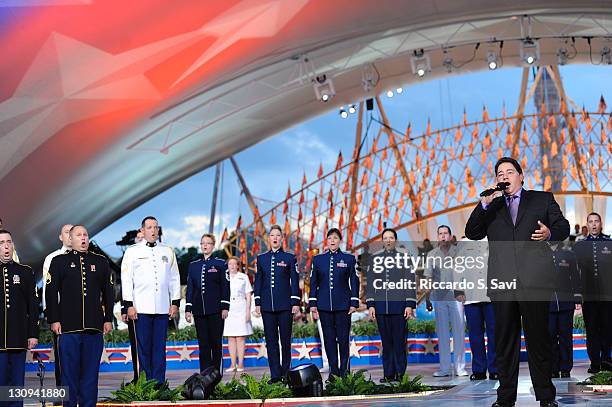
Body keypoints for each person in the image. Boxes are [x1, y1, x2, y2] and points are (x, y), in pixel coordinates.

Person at [465, 157, 570, 407]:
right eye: (500, 173)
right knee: (504, 342)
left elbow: (563, 227)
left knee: (538, 341)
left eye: (509, 172)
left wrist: (549, 233)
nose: (504, 176)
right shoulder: (493, 207)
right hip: (503, 284)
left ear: (521, 176)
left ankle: (546, 397)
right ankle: (505, 398)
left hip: (534, 282)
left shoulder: (542, 200)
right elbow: (472, 232)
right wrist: (483, 204)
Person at [45, 225, 114, 407]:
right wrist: (54, 319)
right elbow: (51, 293)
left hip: (94, 327)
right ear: (70, 238)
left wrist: (108, 319)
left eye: (85, 235)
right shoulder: (58, 262)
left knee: (91, 375)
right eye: (78, 235)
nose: (83, 238)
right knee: (68, 374)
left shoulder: (100, 262)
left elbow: (108, 292)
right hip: (68, 328)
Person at [121, 216, 181, 384]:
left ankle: (160, 384)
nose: (153, 230)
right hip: (141, 309)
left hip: (162, 308)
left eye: (156, 227)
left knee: (159, 349)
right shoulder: (132, 251)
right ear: (142, 230)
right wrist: (129, 306)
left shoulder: (168, 251)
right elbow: (126, 280)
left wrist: (175, 303)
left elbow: (174, 278)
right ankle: (145, 384)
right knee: (144, 349)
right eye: (149, 227)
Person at [366, 227, 416, 382]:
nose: (388, 240)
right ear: (382, 240)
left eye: (391, 237)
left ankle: (400, 374)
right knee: (386, 342)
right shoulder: (375, 258)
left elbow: (409, 281)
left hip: (400, 306)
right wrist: (371, 305)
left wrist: (409, 304)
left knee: (400, 342)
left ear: (396, 240)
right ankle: (388, 374)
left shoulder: (404, 257)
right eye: (385, 238)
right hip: (381, 307)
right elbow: (371, 284)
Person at [309, 228, 359, 379]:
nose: (332, 241)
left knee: (343, 340)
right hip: (324, 306)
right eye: (330, 238)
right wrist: (313, 302)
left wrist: (354, 302)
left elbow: (354, 281)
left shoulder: (349, 259)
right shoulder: (318, 259)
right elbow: (313, 282)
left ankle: (345, 372)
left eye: (335, 238)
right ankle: (334, 371)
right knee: (329, 340)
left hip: (344, 306)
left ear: (340, 241)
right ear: (327, 240)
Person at [253, 225, 300, 383]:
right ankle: (275, 375)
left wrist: (295, 301)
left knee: (285, 341)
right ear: (268, 239)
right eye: (272, 235)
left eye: (278, 235)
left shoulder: (289, 258)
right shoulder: (261, 258)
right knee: (271, 342)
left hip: (286, 306)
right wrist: (257, 302)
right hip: (267, 307)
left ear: (282, 238)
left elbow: (294, 281)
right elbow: (258, 281)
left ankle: (286, 373)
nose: (275, 238)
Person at [0, 229, 39, 407]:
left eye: (9, 242)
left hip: (18, 337)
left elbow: (33, 306)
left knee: (17, 385)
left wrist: (33, 334)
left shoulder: (24, 272)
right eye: (1, 243)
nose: (6, 246)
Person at [424, 225, 467, 377]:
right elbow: (428, 277)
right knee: (442, 333)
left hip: (457, 296)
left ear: (450, 236)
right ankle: (444, 368)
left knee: (459, 331)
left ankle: (460, 367)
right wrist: (428, 298)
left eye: (445, 233)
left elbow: (465, 274)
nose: (443, 236)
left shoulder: (459, 252)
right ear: (438, 236)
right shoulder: (431, 255)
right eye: (440, 234)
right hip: (439, 297)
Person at [185, 233, 230, 373]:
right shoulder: (193, 266)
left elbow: (225, 286)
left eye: (208, 243)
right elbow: (190, 288)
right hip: (199, 311)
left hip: (216, 310)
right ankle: (204, 375)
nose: (205, 245)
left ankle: (216, 374)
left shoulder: (221, 264)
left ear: (213, 245)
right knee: (203, 344)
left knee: (216, 344)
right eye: (203, 243)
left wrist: (225, 306)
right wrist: (188, 308)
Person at [454, 238, 498, 381]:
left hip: (491, 295)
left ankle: (495, 369)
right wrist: (458, 290)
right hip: (470, 295)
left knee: (494, 333)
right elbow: (458, 268)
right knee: (475, 335)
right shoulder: (464, 242)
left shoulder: (493, 237)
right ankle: (479, 369)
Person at [574, 212, 612, 373]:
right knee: (592, 329)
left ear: (601, 223)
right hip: (588, 295)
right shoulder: (580, 246)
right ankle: (595, 362)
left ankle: (606, 359)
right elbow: (575, 272)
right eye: (591, 221)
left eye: (596, 221)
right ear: (587, 224)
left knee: (608, 328)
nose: (594, 224)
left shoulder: (609, 243)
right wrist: (577, 294)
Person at [42, 223, 73, 390]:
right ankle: (62, 391)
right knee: (62, 356)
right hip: (61, 314)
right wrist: (51, 315)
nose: (69, 235)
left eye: (72, 232)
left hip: (80, 314)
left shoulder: (87, 257)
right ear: (60, 237)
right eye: (66, 232)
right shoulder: (52, 258)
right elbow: (48, 289)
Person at [548, 241, 581, 378]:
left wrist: (578, 297)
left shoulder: (568, 255)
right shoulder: (539, 254)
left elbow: (575, 277)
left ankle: (566, 367)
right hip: (547, 303)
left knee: (565, 336)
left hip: (566, 303)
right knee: (550, 336)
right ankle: (553, 368)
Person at [223, 257, 253, 372]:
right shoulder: (224, 277)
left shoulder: (243, 277)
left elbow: (248, 295)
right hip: (228, 307)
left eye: (234, 264)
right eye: (229, 264)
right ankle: (232, 364)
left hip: (241, 306)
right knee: (230, 337)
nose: (232, 266)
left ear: (237, 265)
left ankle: (240, 363)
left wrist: (247, 311)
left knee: (240, 337)